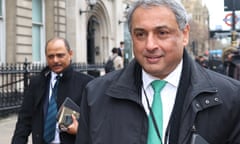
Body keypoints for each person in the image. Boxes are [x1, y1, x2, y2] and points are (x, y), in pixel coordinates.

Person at [75, 0, 240, 144]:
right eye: (140, 34)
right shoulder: (95, 95)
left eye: (162, 33)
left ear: (184, 34)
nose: (150, 45)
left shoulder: (231, 97)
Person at [12, 37, 93, 144]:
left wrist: (80, 131)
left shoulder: (87, 83)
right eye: (51, 56)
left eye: (60, 55)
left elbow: (99, 124)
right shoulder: (37, 82)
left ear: (70, 54)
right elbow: (24, 121)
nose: (55, 60)